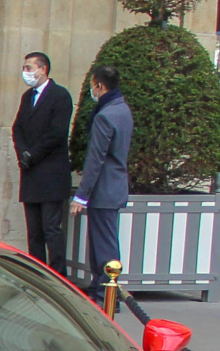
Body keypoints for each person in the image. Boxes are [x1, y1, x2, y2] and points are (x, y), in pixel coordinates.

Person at [72, 62, 133, 299]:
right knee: (104, 243)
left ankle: (106, 293)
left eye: (93, 86)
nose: (92, 91)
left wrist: (81, 195)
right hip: (114, 186)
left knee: (103, 246)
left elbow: (95, 159)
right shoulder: (122, 109)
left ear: (99, 85)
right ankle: (102, 288)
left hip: (104, 190)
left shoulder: (105, 116)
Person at [12, 51, 74, 271]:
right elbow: (17, 127)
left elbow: (56, 133)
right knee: (34, 231)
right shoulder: (27, 97)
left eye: (29, 67)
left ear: (43, 69)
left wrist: (34, 154)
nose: (26, 72)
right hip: (31, 172)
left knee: (51, 229)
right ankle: (36, 273)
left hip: (51, 173)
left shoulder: (60, 96)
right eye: (25, 67)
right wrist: (23, 154)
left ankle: (58, 275)